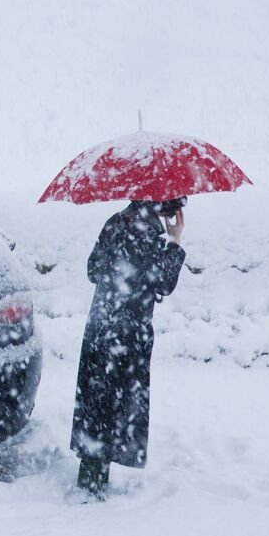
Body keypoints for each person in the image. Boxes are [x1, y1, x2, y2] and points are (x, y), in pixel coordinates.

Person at [70, 196, 187, 501]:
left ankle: (91, 477)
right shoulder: (145, 232)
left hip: (100, 326)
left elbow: (93, 270)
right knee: (116, 405)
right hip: (127, 332)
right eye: (174, 204)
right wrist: (174, 242)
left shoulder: (116, 221)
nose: (176, 211)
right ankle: (92, 487)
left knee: (98, 402)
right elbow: (162, 282)